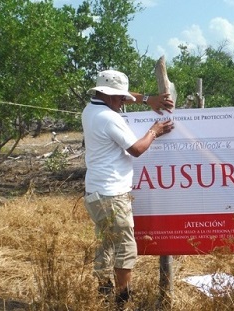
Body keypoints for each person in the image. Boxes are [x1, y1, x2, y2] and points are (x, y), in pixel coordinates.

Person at [81, 70, 174, 308]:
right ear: (109, 95)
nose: (123, 102)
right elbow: (136, 149)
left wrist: (146, 99)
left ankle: (103, 296)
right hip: (112, 194)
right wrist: (154, 131)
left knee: (106, 243)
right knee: (125, 247)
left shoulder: (91, 109)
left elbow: (122, 96)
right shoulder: (109, 118)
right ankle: (122, 301)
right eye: (120, 98)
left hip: (96, 192)